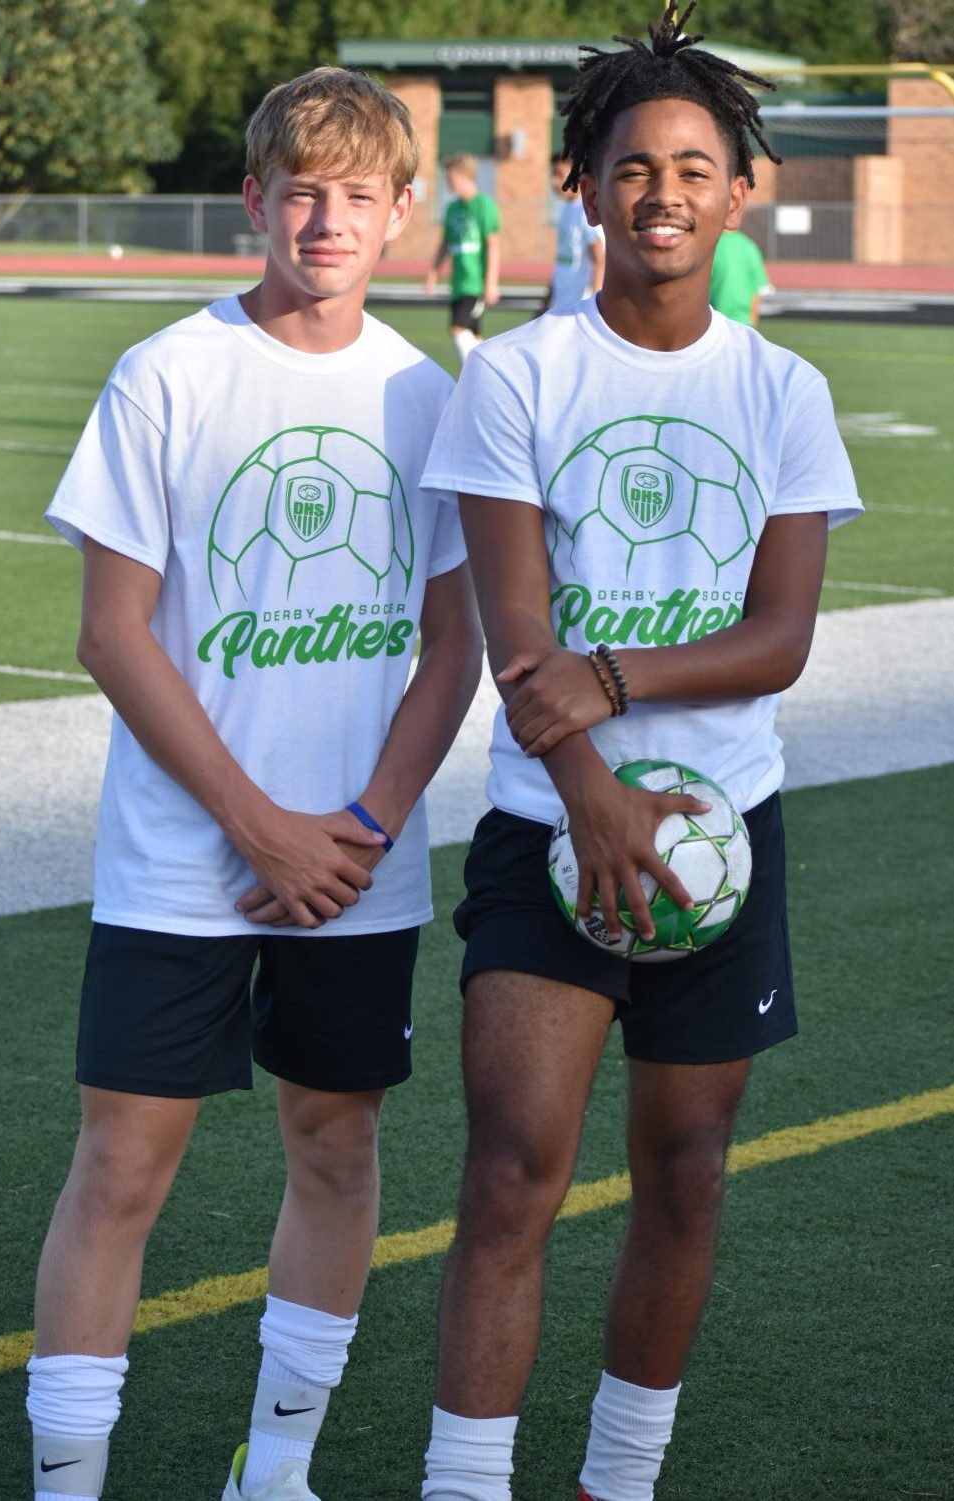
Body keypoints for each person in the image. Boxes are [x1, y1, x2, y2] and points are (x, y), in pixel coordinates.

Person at [418, 5, 862, 1499]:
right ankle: (465, 1486)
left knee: (682, 1169)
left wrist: (610, 679)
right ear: (586, 189)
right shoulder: (519, 380)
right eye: (630, 166)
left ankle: (621, 1479)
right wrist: (595, 794)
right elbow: (516, 656)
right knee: (511, 1167)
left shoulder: (782, 393)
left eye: (692, 166)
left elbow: (778, 637)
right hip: (547, 831)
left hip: (726, 829)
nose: (661, 192)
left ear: (739, 193)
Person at [26, 67, 481, 1501]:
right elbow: (111, 632)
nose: (326, 219)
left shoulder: (427, 395)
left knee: (336, 1151)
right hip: (184, 857)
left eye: (358, 194)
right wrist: (257, 825)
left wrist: (355, 828)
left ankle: (273, 1471)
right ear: (253, 202)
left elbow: (452, 648)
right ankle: (66, 1481)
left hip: (355, 864)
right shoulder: (169, 372)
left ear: (404, 214)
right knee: (120, 1169)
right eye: (301, 190)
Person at [423, 153, 501, 363]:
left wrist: (491, 283)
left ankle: (474, 377)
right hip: (458, 284)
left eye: (450, 177)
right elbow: (445, 243)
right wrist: (432, 273)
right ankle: (487, 375)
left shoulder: (484, 205)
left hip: (475, 285)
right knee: (474, 338)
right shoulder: (451, 208)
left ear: (464, 176)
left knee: (458, 330)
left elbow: (493, 245)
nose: (447, 182)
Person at [541, 154, 605, 312]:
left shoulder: (586, 212)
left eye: (559, 175)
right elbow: (562, 260)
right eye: (553, 175)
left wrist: (593, 306)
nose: (554, 181)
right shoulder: (565, 208)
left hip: (578, 306)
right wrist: (546, 302)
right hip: (560, 302)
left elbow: (600, 261)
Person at [709, 225, 771, 326]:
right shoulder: (749, 246)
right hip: (744, 322)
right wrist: (753, 323)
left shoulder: (709, 245)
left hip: (715, 323)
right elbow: (756, 293)